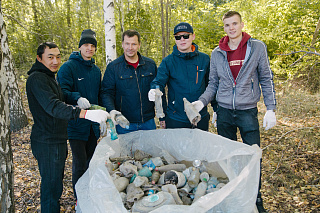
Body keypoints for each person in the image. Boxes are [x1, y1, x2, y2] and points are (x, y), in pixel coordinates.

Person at [192, 11, 276, 213]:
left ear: (241, 24)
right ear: (224, 28)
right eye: (227, 25)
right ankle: (231, 197)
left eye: (235, 24)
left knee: (253, 157)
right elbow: (213, 84)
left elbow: (266, 78)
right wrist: (201, 103)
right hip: (225, 113)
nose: (231, 28)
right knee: (227, 158)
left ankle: (256, 199)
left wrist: (271, 108)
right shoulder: (217, 53)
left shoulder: (256, 47)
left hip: (248, 111)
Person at [26, 42, 109, 213]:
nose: (55, 61)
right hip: (47, 141)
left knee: (56, 185)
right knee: (51, 189)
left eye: (57, 56)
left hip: (57, 139)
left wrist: (83, 102)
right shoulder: (37, 79)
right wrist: (85, 114)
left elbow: (63, 96)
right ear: (39, 58)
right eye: (50, 57)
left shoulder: (49, 77)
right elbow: (54, 106)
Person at [56, 29, 104, 199]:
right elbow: (62, 91)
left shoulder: (96, 70)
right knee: (80, 163)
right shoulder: (68, 67)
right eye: (86, 45)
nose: (89, 48)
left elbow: (99, 95)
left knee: (91, 162)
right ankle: (79, 199)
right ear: (80, 47)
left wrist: (103, 117)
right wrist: (77, 98)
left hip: (92, 125)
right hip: (75, 124)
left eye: (92, 46)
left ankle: (89, 194)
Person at [148, 22, 212, 130]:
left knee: (200, 146)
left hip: (200, 116)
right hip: (176, 118)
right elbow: (158, 82)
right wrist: (154, 89)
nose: (182, 39)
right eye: (178, 37)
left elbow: (212, 85)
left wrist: (216, 109)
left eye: (186, 36)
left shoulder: (204, 59)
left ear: (193, 36)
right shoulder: (168, 61)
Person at [101, 29, 165, 133]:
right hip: (124, 123)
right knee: (126, 150)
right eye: (127, 44)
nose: (130, 48)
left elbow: (159, 90)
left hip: (148, 122)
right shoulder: (113, 67)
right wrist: (112, 110)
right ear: (122, 44)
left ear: (139, 45)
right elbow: (106, 93)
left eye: (134, 44)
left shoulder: (150, 65)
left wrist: (162, 117)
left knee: (149, 149)